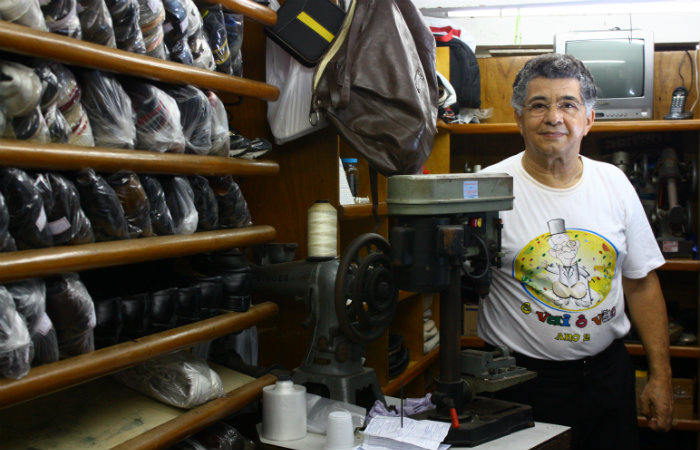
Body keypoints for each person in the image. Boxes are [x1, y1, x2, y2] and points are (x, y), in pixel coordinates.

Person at [477, 53, 673, 450]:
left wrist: (661, 375)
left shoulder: (614, 183)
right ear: (518, 119)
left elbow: (641, 283)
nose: (554, 117)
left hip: (606, 378)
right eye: (538, 105)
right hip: (518, 383)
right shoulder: (485, 189)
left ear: (589, 119)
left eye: (568, 104)